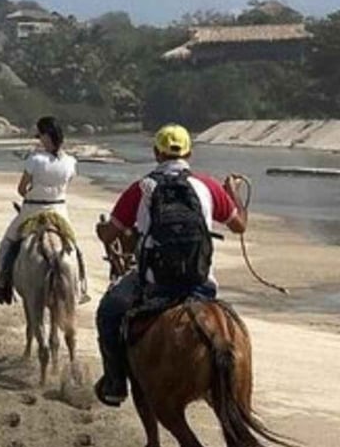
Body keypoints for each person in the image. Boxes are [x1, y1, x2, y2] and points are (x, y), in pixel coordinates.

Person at [92, 123, 247, 407]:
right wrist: (232, 192)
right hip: (201, 285)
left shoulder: (141, 188)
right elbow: (240, 226)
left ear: (156, 153)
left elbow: (112, 234)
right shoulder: (208, 186)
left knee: (108, 312)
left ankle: (115, 384)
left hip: (155, 285)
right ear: (189, 152)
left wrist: (102, 230)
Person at [0, 116, 88, 305]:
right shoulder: (71, 162)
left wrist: (33, 193)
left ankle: (1, 285)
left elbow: (21, 189)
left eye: (40, 136)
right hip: (59, 210)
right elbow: (66, 184)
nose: (39, 140)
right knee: (73, 246)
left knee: (8, 242)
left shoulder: (35, 160)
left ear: (46, 136)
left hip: (32, 209)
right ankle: (80, 287)